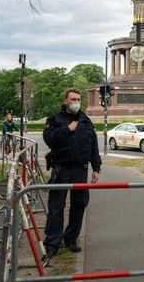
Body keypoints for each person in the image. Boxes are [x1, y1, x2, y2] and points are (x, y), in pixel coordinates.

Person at [42, 88, 102, 260]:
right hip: (61, 169)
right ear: (65, 101)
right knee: (56, 208)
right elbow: (49, 139)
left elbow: (94, 147)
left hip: (80, 170)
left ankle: (71, 238)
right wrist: (68, 129)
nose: (76, 102)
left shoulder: (86, 121)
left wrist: (96, 168)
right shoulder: (54, 120)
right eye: (73, 99)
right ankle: (52, 243)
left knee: (79, 205)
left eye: (78, 99)